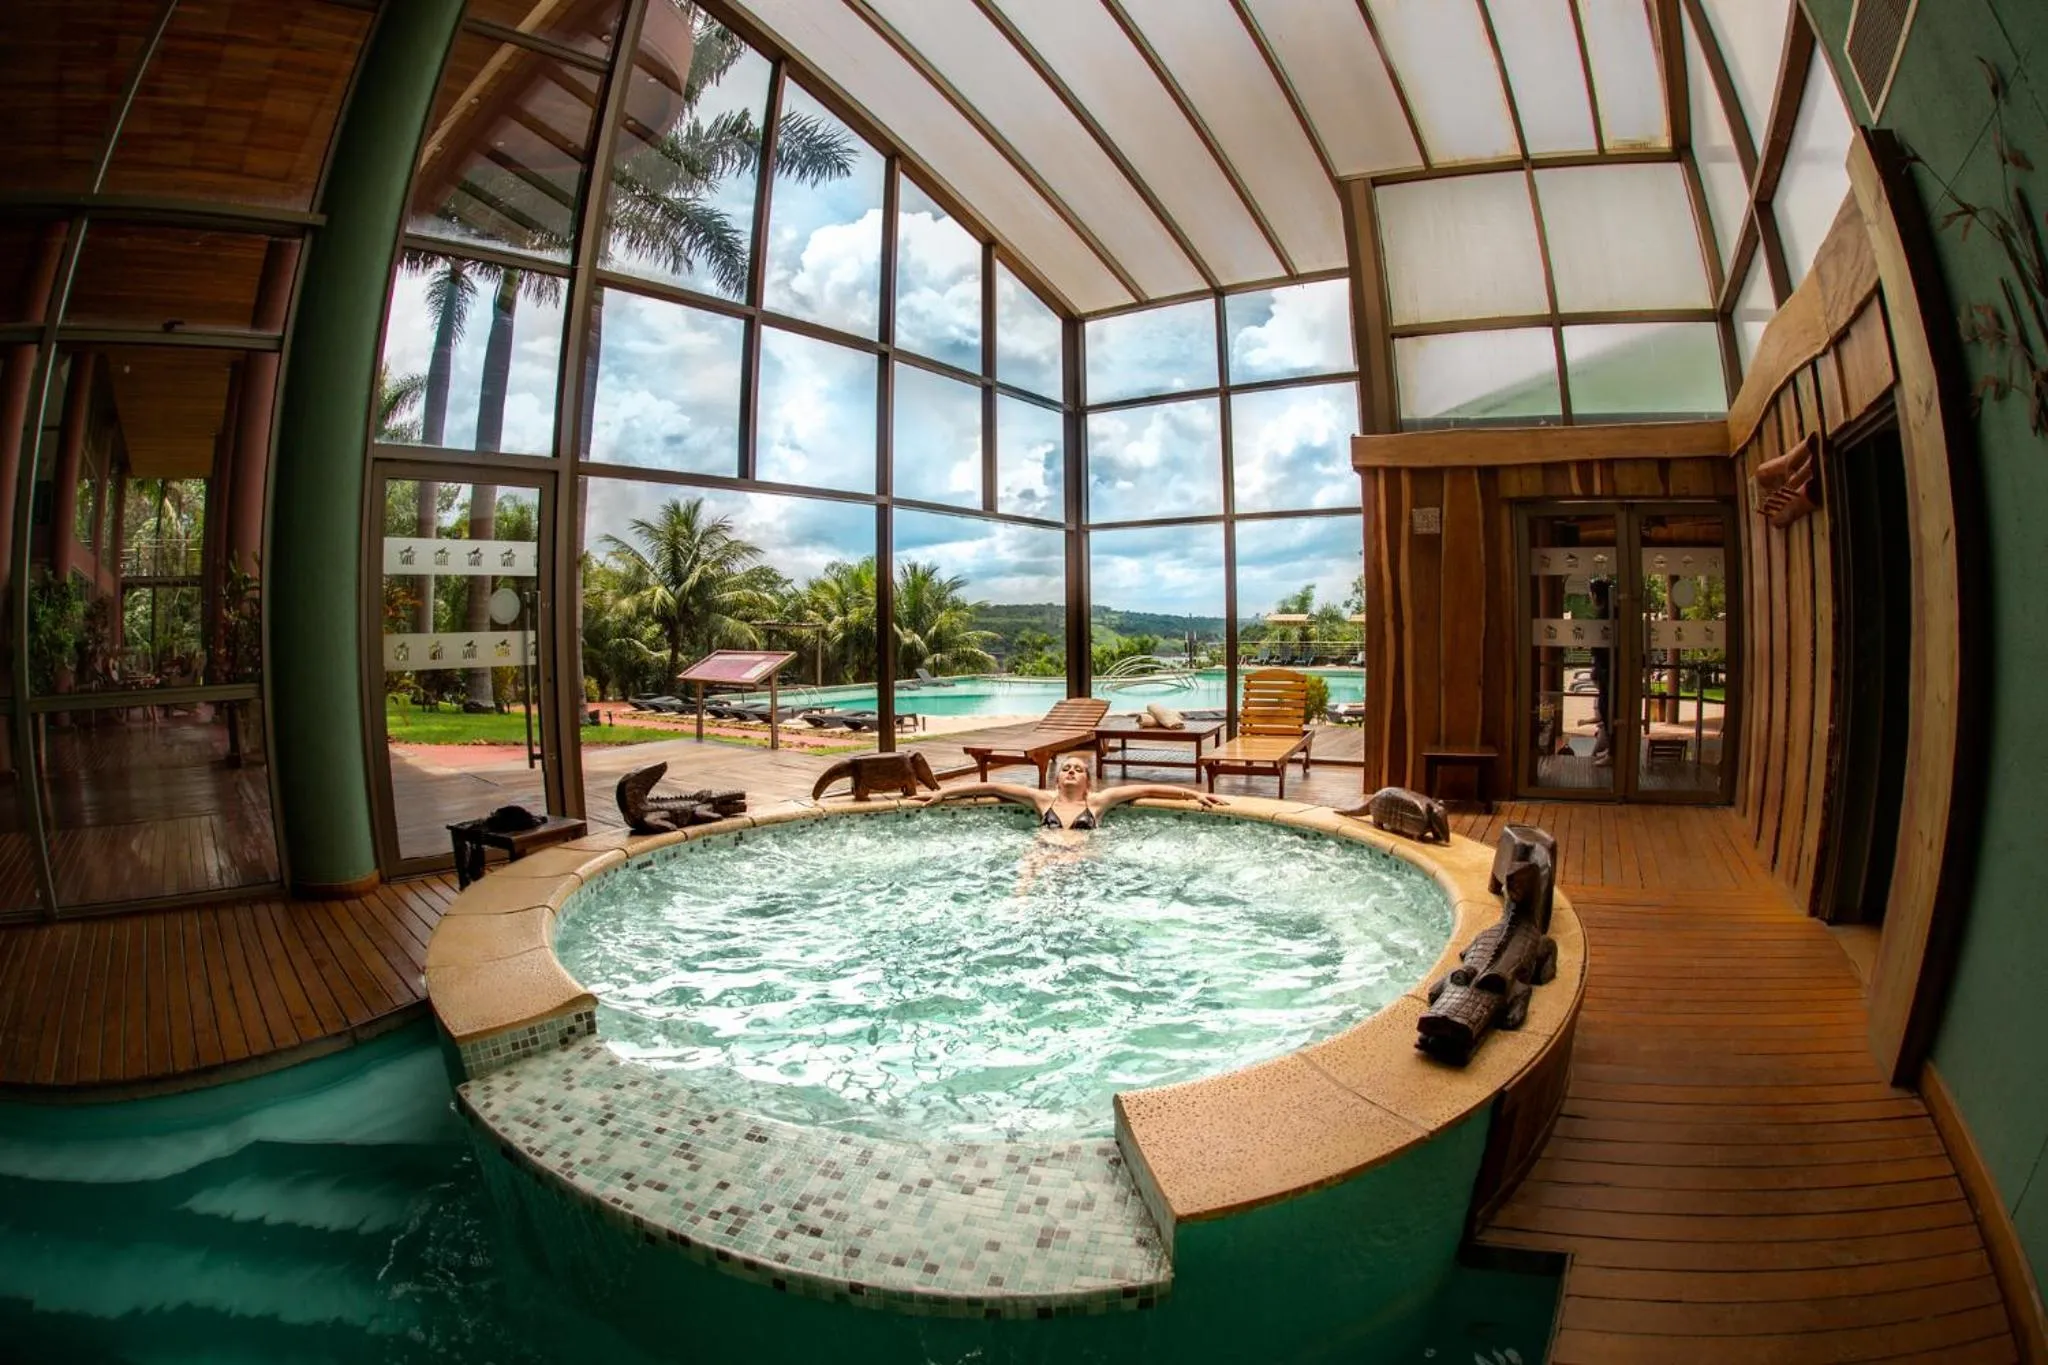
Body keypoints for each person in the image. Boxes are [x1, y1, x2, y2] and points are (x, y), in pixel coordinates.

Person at [907, 753, 1225, 830]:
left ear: (1089, 781)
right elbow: (991, 785)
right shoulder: (1042, 799)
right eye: (1066, 769)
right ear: (1057, 780)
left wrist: (1193, 795)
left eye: (1079, 769)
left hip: (1082, 864)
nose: (1071, 771)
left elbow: (1147, 788)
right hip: (1043, 858)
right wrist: (942, 794)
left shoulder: (1098, 801)